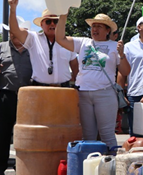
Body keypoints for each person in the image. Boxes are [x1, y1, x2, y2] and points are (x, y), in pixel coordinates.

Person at [55, 13, 131, 148]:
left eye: (99, 26)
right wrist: (63, 18)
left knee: (107, 134)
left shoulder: (115, 46)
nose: (94, 29)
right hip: (83, 94)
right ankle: (88, 166)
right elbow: (60, 38)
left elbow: (125, 72)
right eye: (93, 26)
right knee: (87, 136)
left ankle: (111, 166)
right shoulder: (83, 42)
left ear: (108, 30)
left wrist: (122, 55)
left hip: (105, 94)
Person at [0, 23, 32, 175]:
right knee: (3, 132)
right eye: (11, 32)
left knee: (26, 134)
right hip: (6, 95)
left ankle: (23, 167)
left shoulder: (34, 47)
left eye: (17, 32)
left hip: (29, 97)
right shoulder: (0, 47)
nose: (13, 34)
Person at [7, 0, 78, 88]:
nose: (52, 24)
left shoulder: (68, 41)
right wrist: (12, 9)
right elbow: (15, 30)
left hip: (64, 89)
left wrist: (77, 85)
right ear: (41, 25)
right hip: (40, 89)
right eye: (48, 21)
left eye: (55, 21)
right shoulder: (33, 38)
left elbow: (74, 65)